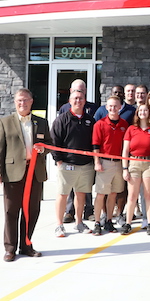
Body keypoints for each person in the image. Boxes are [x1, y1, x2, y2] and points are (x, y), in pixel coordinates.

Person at [0, 89, 52, 261]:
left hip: (35, 174)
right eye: (19, 100)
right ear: (15, 102)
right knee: (11, 211)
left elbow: (49, 143)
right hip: (13, 173)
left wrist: (43, 149)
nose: (22, 103)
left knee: (32, 210)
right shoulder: (5, 122)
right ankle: (10, 248)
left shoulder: (41, 122)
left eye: (25, 100)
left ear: (31, 101)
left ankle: (26, 245)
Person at [51, 90, 96, 237]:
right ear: (70, 101)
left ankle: (79, 223)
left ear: (85, 101)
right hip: (67, 164)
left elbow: (94, 142)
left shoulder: (90, 120)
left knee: (81, 194)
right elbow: (54, 141)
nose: (78, 101)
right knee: (62, 194)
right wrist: (58, 160)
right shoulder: (61, 120)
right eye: (75, 98)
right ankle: (59, 225)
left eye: (81, 98)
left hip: (85, 165)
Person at [91, 96, 130, 235]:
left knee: (113, 193)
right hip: (104, 163)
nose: (113, 108)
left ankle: (109, 220)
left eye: (115, 106)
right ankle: (97, 222)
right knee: (101, 193)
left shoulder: (124, 124)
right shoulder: (100, 124)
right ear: (106, 107)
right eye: (110, 106)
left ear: (120, 107)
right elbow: (95, 145)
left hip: (119, 163)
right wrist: (97, 162)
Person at [59, 79, 97, 223]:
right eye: (76, 91)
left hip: (86, 159)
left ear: (85, 92)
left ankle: (88, 211)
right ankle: (69, 212)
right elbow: (58, 135)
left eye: (81, 91)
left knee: (85, 188)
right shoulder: (64, 109)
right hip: (69, 159)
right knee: (67, 189)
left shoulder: (93, 108)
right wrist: (59, 159)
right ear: (71, 92)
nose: (78, 96)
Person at [121, 103, 150, 235]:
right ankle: (128, 223)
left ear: (149, 113)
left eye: (145, 110)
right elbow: (125, 150)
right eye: (140, 110)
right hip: (134, 163)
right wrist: (125, 168)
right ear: (137, 113)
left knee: (148, 194)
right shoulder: (131, 129)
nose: (143, 112)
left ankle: (149, 222)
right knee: (132, 195)